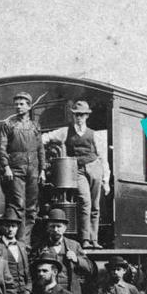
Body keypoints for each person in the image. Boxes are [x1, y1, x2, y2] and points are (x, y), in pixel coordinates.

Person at [46, 100, 110, 248]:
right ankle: (85, 239)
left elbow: (103, 157)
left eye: (82, 115)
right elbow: (46, 137)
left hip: (94, 168)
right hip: (78, 170)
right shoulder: (65, 131)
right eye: (76, 115)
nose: (79, 117)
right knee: (85, 202)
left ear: (87, 116)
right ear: (73, 116)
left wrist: (106, 180)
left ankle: (95, 239)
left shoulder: (94, 134)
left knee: (95, 206)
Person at [0, 91, 45, 245]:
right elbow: (0, 148)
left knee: (31, 208)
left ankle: (26, 242)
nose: (18, 107)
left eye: (22, 104)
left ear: (29, 107)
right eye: (16, 104)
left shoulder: (35, 126)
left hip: (34, 170)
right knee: (18, 205)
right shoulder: (8, 124)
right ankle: (19, 242)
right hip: (16, 169)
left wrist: (42, 170)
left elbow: (40, 149)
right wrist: (6, 167)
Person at [38, 208, 96, 294]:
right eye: (52, 226)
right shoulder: (40, 247)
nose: (55, 230)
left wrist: (77, 260)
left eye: (58, 226)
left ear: (65, 228)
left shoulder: (74, 245)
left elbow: (90, 268)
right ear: (48, 228)